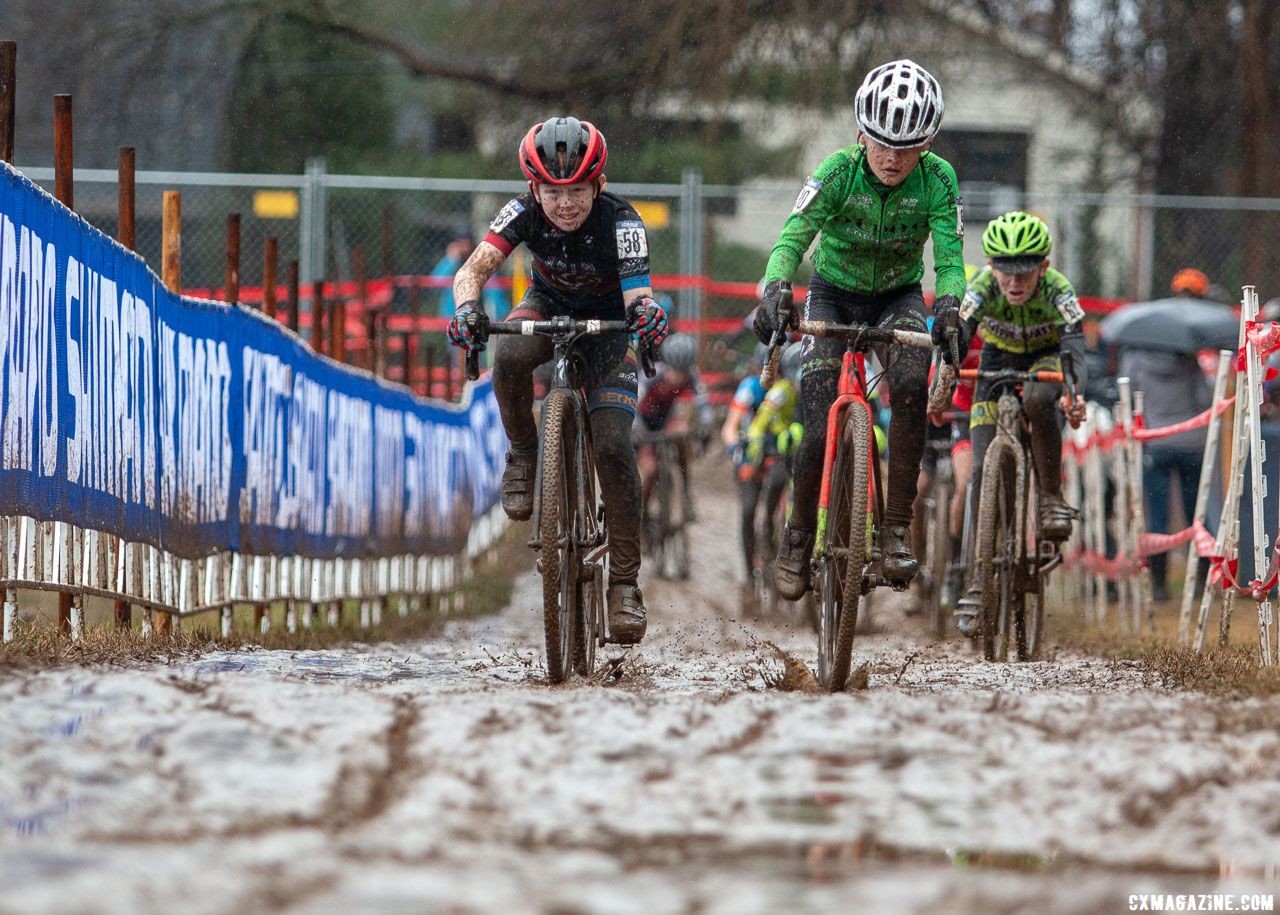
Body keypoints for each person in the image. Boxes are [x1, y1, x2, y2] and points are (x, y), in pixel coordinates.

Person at [447, 116, 669, 644]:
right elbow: (472, 270)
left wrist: (646, 315)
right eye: (552, 191)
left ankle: (623, 584)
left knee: (614, 447)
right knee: (508, 356)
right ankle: (523, 453)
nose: (564, 203)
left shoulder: (623, 220)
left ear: (599, 185)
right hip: (547, 307)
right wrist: (467, 308)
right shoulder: (522, 211)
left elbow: (639, 295)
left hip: (609, 327)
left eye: (577, 191)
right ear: (534, 188)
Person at [753, 59, 967, 600]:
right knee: (818, 423)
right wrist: (775, 288)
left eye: (908, 146)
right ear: (861, 134)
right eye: (881, 144)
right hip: (832, 294)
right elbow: (792, 237)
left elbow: (950, 258)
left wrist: (949, 307)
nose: (893, 158)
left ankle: (895, 528)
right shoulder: (836, 171)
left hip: (897, 297)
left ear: (928, 143)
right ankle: (798, 536)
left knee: (914, 387)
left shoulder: (940, 179)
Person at [953, 211, 1089, 635]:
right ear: (991, 266)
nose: (1014, 283)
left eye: (1025, 273)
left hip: (1046, 358)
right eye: (1004, 271)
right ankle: (976, 579)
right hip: (996, 360)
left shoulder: (1059, 290)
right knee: (977, 471)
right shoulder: (979, 289)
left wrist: (1072, 390)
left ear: (1043, 267)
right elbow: (960, 335)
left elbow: (1074, 344)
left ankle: (1050, 497)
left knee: (1037, 398)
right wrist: (946, 371)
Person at [635, 332, 714, 520]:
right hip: (644, 424)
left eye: (683, 372)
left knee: (683, 433)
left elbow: (704, 404)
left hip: (666, 419)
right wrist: (636, 430)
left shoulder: (693, 375)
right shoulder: (650, 375)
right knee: (649, 470)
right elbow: (634, 404)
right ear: (667, 365)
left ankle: (686, 493)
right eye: (675, 371)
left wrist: (706, 427)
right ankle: (642, 514)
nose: (679, 377)